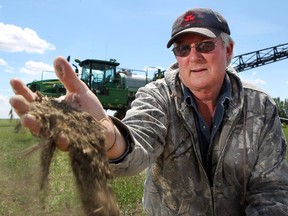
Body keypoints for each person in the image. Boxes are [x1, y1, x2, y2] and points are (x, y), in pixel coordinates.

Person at [10, 7, 288, 216]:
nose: (194, 56)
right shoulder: (157, 96)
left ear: (228, 50)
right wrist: (108, 136)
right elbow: (137, 141)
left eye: (205, 45)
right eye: (183, 48)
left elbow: (272, 190)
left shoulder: (259, 106)